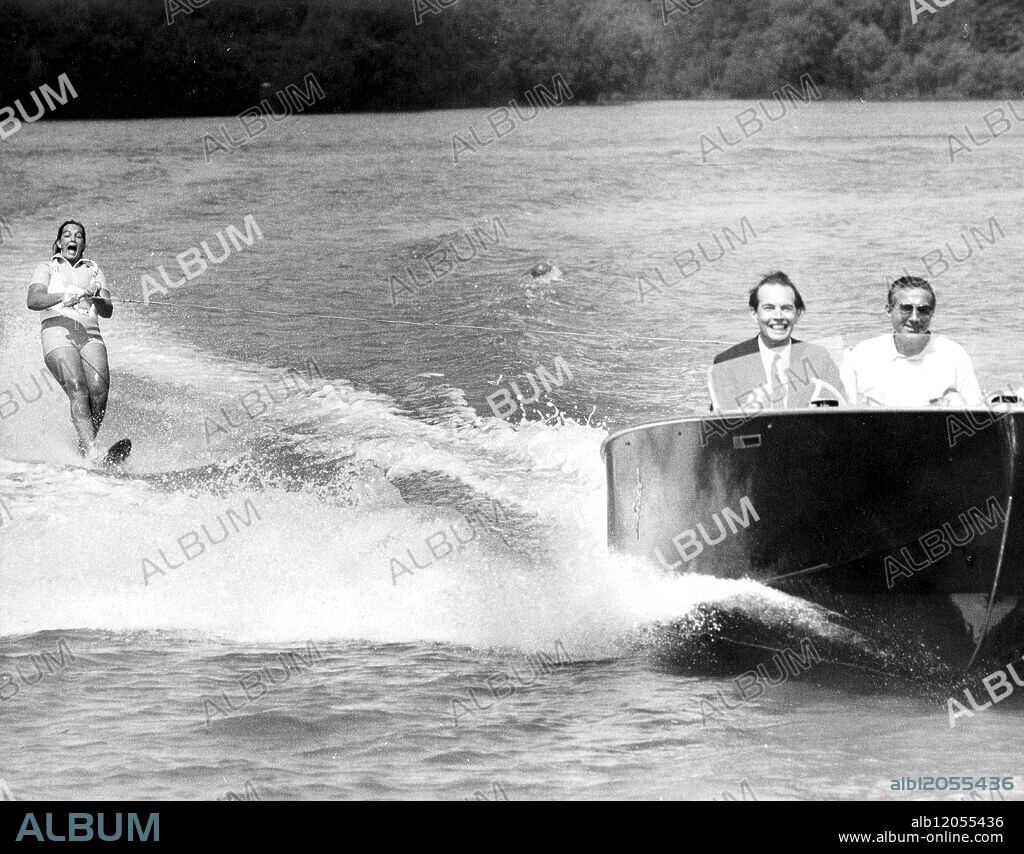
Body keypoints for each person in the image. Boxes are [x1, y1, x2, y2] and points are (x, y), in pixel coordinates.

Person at [26, 220, 113, 462]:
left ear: (83, 244)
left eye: (78, 235)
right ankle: (92, 450)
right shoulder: (47, 267)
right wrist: (64, 295)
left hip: (90, 335)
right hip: (57, 333)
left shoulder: (94, 270)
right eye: (66, 235)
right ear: (59, 243)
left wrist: (96, 297)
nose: (72, 238)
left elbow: (107, 311)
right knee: (77, 387)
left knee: (99, 392)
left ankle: (85, 451)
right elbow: (33, 300)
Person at [708, 271, 846, 413]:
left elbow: (843, 415)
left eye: (786, 308)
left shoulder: (819, 358)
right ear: (754, 313)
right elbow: (717, 428)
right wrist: (744, 412)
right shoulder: (727, 363)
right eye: (769, 308)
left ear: (798, 314)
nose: (778, 316)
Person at [842, 276, 982, 407]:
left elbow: (975, 414)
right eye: (906, 308)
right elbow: (843, 409)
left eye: (923, 310)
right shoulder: (863, 354)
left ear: (932, 313)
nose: (915, 318)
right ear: (889, 310)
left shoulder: (954, 355)